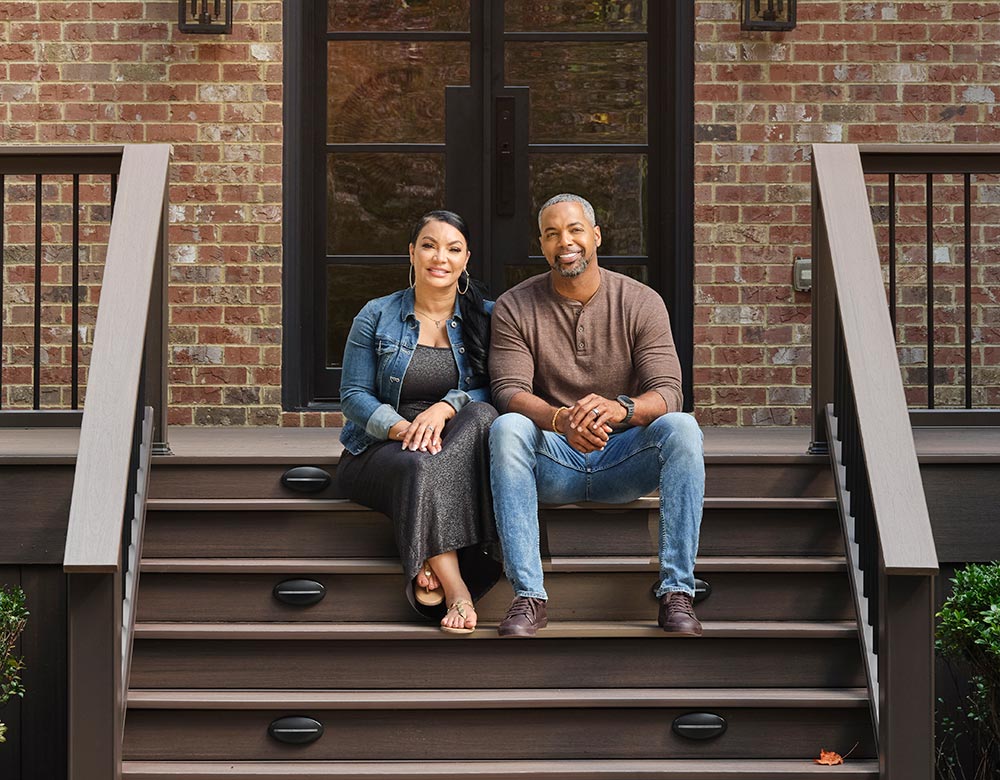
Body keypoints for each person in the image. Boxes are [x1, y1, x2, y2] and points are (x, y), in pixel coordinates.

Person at [488, 193, 705, 638]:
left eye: (574, 230)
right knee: (507, 427)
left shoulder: (641, 301)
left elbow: (669, 392)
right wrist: (560, 420)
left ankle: (676, 592)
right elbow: (509, 391)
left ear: (596, 236)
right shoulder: (514, 305)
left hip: (623, 457)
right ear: (542, 245)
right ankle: (529, 597)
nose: (564, 241)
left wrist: (620, 408)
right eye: (551, 234)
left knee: (681, 428)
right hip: (554, 459)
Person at [338, 210, 501, 634]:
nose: (439, 257)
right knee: (418, 462)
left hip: (456, 441)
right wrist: (401, 429)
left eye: (453, 248)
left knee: (482, 414)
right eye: (429, 245)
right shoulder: (376, 314)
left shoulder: (487, 316)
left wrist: (446, 407)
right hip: (381, 447)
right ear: (411, 252)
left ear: (467, 258)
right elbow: (353, 396)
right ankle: (458, 589)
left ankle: (429, 554)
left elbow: (501, 389)